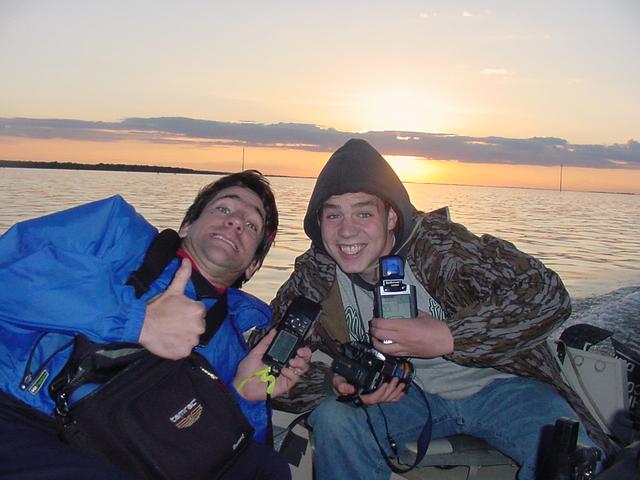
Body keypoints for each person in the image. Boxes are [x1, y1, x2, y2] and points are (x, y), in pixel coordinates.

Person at [257, 139, 612, 480]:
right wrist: (334, 382)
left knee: (572, 455)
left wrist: (449, 337)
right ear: (319, 223)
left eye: (363, 212)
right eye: (333, 216)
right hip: (405, 398)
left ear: (391, 217)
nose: (348, 230)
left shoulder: (443, 249)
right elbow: (266, 369)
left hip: (504, 388)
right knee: (335, 419)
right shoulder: (314, 279)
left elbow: (547, 294)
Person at [0, 170, 310, 480]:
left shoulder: (231, 344)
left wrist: (246, 394)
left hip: (125, 447)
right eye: (224, 208)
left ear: (253, 265)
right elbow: (8, 273)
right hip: (24, 409)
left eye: (252, 225)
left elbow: (224, 446)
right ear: (187, 225)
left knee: (266, 468)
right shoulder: (115, 230)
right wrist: (136, 320)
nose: (236, 221)